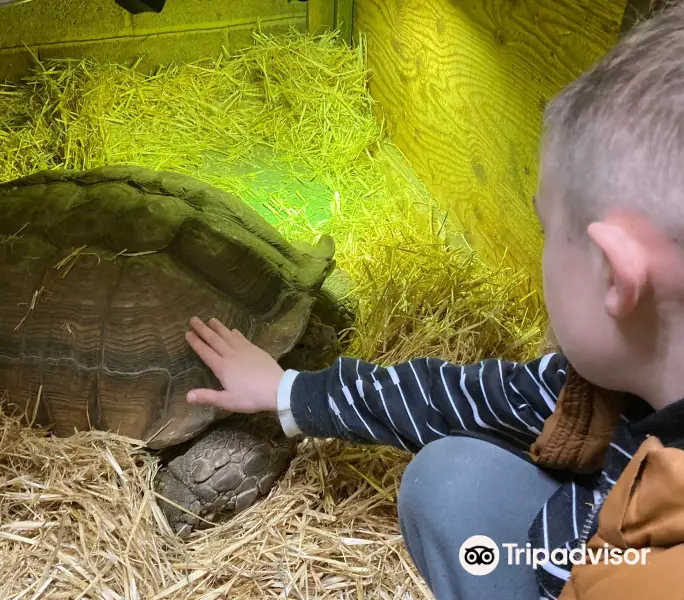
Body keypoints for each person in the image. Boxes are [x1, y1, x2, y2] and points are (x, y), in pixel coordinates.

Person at [182, 3, 684, 599]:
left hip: (594, 579)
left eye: (549, 234)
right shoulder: (597, 391)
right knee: (449, 481)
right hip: (580, 542)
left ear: (615, 279)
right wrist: (288, 390)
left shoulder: (653, 578)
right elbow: (462, 398)